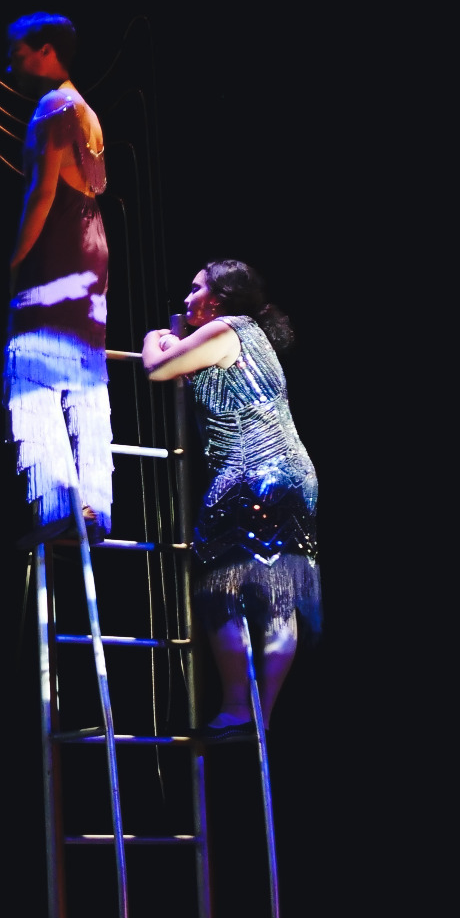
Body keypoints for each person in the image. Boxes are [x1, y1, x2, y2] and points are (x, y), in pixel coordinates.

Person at [142, 260, 318, 734]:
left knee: (221, 587)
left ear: (217, 299)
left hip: (249, 472)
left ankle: (239, 707)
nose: (186, 299)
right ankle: (262, 713)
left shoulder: (226, 328)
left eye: (195, 289)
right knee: (278, 594)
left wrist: (157, 337)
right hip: (294, 474)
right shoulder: (252, 336)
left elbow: (158, 368)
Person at [3, 13, 111, 534]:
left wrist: (15, 262)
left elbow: (42, 194)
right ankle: (93, 501)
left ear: (46, 51)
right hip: (92, 243)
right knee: (84, 375)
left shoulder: (52, 106)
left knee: (33, 368)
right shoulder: (87, 110)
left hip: (61, 242)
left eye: (18, 54)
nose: (11, 66)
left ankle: (60, 502)